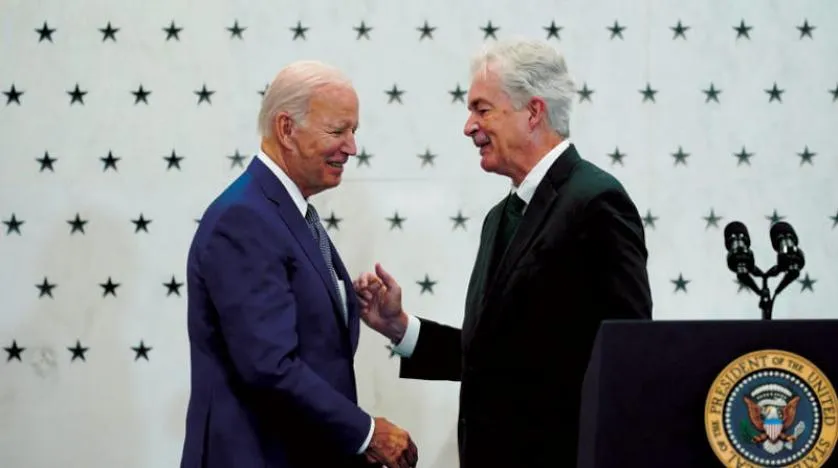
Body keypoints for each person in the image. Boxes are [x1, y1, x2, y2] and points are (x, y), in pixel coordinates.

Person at [353, 38, 653, 467]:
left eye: (482, 109)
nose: (468, 126)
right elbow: (494, 358)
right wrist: (400, 327)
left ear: (533, 112)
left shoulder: (595, 201)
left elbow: (627, 354)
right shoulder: (499, 217)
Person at [180, 60, 418, 468]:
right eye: (338, 131)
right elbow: (268, 367)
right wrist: (366, 433)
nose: (352, 147)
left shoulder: (286, 211)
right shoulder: (244, 218)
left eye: (354, 131)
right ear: (286, 129)